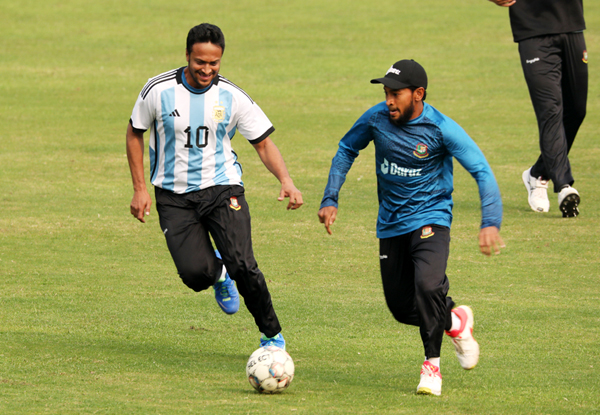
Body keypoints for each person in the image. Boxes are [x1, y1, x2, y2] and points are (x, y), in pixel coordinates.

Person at [318, 60, 504, 396]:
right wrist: (331, 198)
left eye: (396, 94)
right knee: (403, 308)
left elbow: (482, 170)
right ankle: (454, 321)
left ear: (418, 94)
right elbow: (347, 148)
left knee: (428, 285)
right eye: (386, 93)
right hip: (391, 224)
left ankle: (431, 367)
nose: (389, 100)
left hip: (432, 217)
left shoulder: (440, 128)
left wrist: (490, 221)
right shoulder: (376, 119)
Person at [126, 23, 303, 350]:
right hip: (174, 196)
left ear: (220, 59)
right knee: (195, 276)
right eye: (200, 62)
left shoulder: (232, 96)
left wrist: (286, 180)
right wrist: (139, 188)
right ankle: (217, 273)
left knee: (245, 266)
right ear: (188, 56)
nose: (206, 69)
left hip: (223, 189)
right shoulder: (158, 90)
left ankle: (272, 337)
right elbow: (135, 132)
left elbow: (263, 144)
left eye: (214, 63)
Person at [489, 0, 587, 217]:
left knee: (577, 111)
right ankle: (563, 186)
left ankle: (538, 173)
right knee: (550, 110)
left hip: (571, 23)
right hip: (533, 30)